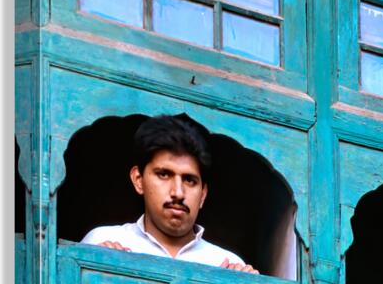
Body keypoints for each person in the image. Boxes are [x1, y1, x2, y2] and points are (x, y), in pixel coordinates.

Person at [81, 115, 259, 273]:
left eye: (189, 180)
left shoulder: (228, 266)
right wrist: (98, 268)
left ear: (203, 194)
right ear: (138, 179)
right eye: (164, 174)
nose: (178, 193)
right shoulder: (102, 243)